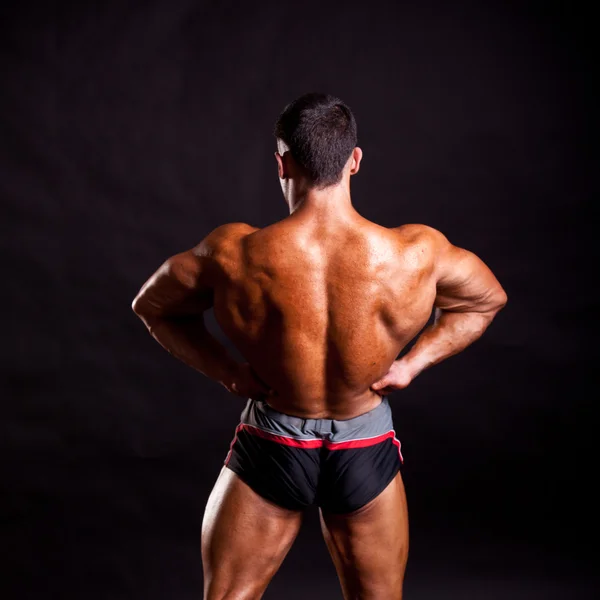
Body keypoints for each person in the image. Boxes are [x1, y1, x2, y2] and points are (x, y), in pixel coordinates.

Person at [131, 92, 507, 600]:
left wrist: (227, 371)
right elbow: (486, 300)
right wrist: (412, 364)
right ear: (355, 160)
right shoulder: (416, 253)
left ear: (282, 163)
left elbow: (151, 305)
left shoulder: (233, 253)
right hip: (365, 445)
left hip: (274, 443)